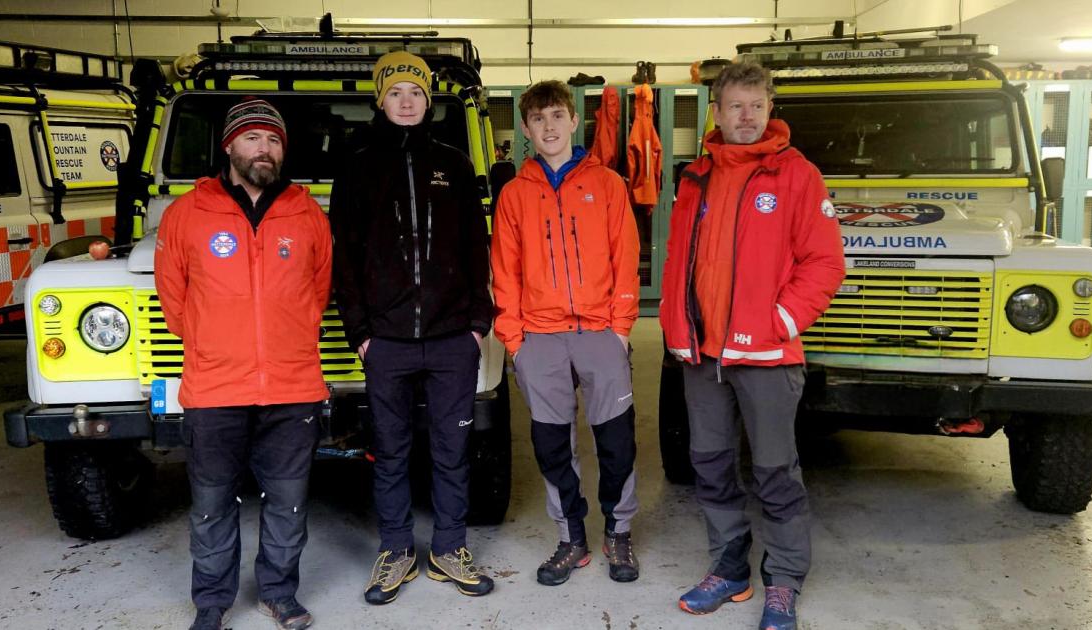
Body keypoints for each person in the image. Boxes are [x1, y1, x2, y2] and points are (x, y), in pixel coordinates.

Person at [659, 62, 845, 630]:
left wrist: (781, 318)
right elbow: (678, 261)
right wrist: (675, 327)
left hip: (765, 356)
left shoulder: (796, 175)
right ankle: (729, 567)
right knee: (710, 466)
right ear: (715, 112)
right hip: (703, 356)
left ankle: (784, 580)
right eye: (735, 106)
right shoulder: (696, 177)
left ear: (769, 111)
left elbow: (825, 263)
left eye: (755, 106)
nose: (745, 117)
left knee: (774, 472)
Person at [156, 98, 332, 630]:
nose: (265, 149)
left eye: (274, 140)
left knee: (288, 503)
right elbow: (173, 298)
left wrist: (286, 338)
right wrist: (217, 345)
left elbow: (317, 291)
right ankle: (211, 601)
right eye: (254, 138)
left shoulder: (306, 213)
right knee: (211, 504)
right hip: (215, 389)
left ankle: (279, 592)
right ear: (230, 145)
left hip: (292, 384)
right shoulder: (188, 213)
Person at [329, 51, 495, 605]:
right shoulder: (356, 166)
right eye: (397, 92)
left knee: (452, 449)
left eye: (417, 93)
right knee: (391, 449)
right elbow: (344, 259)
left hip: (453, 338)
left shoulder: (456, 163)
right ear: (381, 98)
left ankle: (450, 548)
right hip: (387, 341)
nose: (407, 101)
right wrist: (361, 333)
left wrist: (476, 323)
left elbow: (477, 247)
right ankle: (396, 550)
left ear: (429, 101)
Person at [491, 79, 642, 586]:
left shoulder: (610, 184)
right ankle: (570, 537)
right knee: (553, 445)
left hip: (600, 332)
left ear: (575, 121)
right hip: (539, 338)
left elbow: (626, 258)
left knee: (616, 440)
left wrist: (621, 328)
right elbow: (504, 270)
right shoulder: (514, 194)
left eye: (557, 115)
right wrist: (515, 339)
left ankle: (618, 533)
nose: (549, 126)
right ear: (527, 128)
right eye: (538, 119)